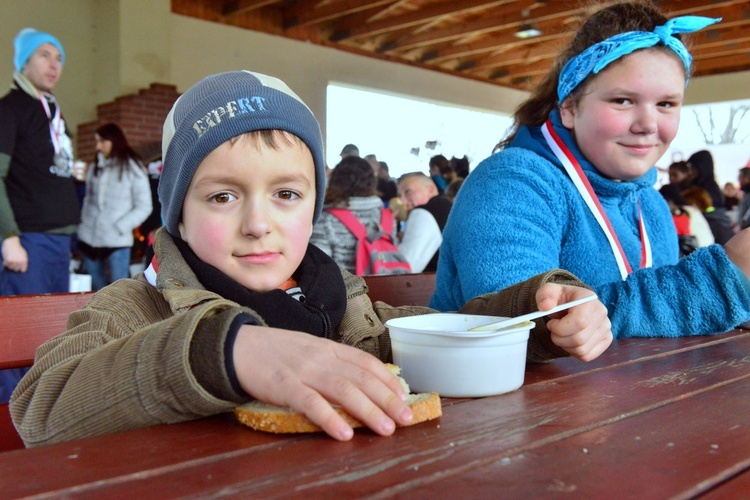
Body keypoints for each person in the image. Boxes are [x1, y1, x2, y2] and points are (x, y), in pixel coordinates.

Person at [10, 70, 611, 446]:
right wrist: (226, 351)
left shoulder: (341, 303)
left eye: (286, 194)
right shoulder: (133, 309)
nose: (257, 223)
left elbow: (429, 336)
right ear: (179, 214)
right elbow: (40, 408)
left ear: (313, 204)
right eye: (222, 196)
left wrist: (536, 316)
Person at [431, 3, 750, 339]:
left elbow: (657, 329)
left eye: (666, 104)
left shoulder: (651, 205)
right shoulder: (511, 184)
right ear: (569, 108)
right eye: (623, 100)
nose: (648, 124)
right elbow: (524, 327)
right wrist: (722, 282)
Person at [0, 28, 80, 403]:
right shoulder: (11, 107)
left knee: (49, 333)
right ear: (24, 62)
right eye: (45, 55)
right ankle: (11, 420)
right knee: (19, 337)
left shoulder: (51, 111)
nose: (54, 64)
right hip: (27, 241)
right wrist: (8, 237)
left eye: (59, 57)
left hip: (58, 241)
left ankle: (40, 412)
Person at [76, 123, 152, 290]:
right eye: (96, 142)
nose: (98, 146)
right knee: (96, 287)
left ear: (113, 140)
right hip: (88, 237)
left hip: (117, 239)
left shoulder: (132, 167)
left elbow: (145, 205)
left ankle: (118, 316)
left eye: (102, 141)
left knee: (119, 290)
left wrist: (121, 226)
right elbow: (88, 199)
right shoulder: (96, 166)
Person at [310, 155, 402, 273]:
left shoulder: (325, 220)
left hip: (346, 290)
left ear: (335, 182)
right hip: (386, 288)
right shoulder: (388, 218)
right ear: (372, 182)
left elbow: (318, 269)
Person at [397, 172, 452, 272]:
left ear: (430, 190)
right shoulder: (448, 206)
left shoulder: (423, 213)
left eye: (408, 192)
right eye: (400, 196)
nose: (403, 202)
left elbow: (404, 268)